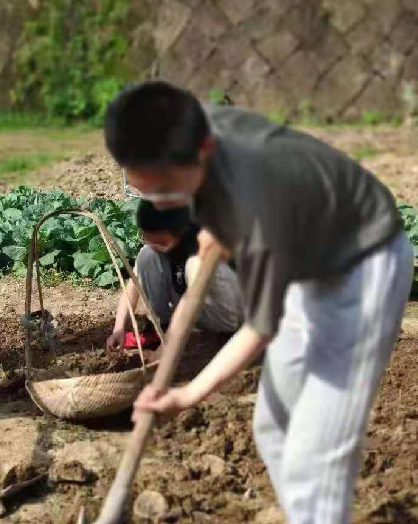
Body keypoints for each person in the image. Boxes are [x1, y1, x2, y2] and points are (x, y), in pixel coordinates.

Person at [104, 81, 413, 524]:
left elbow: (259, 328)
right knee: (274, 427)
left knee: (316, 454)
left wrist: (187, 394)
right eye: (148, 191)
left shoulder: (261, 202)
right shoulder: (189, 127)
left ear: (205, 150)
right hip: (306, 257)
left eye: (170, 192)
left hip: (361, 267)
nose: (162, 204)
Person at [106, 200, 242, 354]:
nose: (154, 245)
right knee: (146, 256)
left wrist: (163, 353)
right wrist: (119, 329)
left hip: (228, 310)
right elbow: (133, 284)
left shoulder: (201, 242)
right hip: (194, 308)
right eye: (147, 238)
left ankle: (227, 334)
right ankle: (161, 328)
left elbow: (190, 300)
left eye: (160, 241)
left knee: (194, 265)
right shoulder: (158, 243)